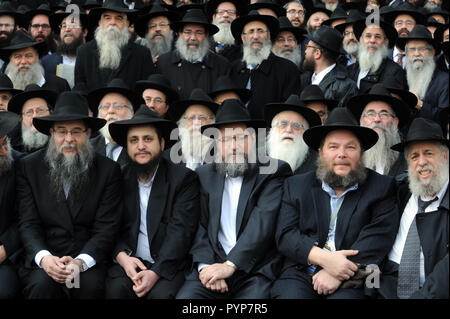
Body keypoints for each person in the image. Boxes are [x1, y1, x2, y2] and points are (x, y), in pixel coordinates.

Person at [271, 107, 399, 299]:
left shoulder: (382, 187)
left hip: (357, 274)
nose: (342, 154)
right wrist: (326, 260)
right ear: (321, 152)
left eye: (350, 147)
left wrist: (338, 272)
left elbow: (377, 240)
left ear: (361, 153)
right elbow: (286, 235)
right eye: (333, 147)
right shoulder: (296, 185)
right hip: (302, 269)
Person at [176, 99, 292, 299]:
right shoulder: (204, 174)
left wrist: (230, 265)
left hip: (254, 270)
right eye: (226, 140)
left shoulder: (273, 171)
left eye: (240, 138)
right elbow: (199, 227)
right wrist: (205, 267)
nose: (234, 146)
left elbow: (262, 223)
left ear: (254, 140)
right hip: (212, 267)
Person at [16, 91, 122, 298]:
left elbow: (106, 227)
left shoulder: (108, 170)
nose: (69, 139)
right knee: (41, 287)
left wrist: (80, 262)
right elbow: (28, 223)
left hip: (87, 256)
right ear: (52, 133)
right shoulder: (29, 167)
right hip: (45, 256)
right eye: (61, 131)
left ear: (89, 133)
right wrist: (45, 258)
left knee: (88, 287)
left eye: (76, 131)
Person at [105, 105, 200, 299]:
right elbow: (108, 225)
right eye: (134, 140)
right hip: (128, 262)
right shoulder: (117, 178)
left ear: (162, 143)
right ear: (127, 146)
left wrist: (155, 272)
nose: (141, 146)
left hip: (168, 265)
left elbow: (181, 232)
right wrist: (122, 258)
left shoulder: (184, 179)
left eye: (148, 139)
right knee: (116, 291)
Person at [378, 118, 449, 299]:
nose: (422, 162)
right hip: (386, 285)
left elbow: (444, 278)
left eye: (428, 153)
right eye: (414, 156)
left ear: (446, 156)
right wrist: (370, 288)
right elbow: (373, 248)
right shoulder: (396, 191)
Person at [229, 10, 300, 120]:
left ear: (268, 36)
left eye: (260, 31)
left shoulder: (287, 69)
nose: (256, 36)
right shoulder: (233, 69)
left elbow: (289, 111)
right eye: (251, 31)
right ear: (243, 38)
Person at [74, 0, 155, 92]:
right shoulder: (84, 51)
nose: (112, 22)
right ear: (100, 23)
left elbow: (146, 90)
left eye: (119, 18)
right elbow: (80, 87)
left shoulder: (142, 54)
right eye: (107, 18)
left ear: (127, 24)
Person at [156, 8, 230, 100]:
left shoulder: (221, 65)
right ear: (179, 34)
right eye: (188, 32)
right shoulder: (164, 62)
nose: (193, 38)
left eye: (199, 33)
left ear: (206, 35)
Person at [347, 83, 412, 177]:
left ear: (395, 122)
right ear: (361, 121)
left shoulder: (408, 161)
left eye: (384, 114)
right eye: (371, 114)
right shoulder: (351, 160)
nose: (377, 119)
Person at [300, 25, 359, 108]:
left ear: (317, 53)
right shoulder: (304, 79)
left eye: (307, 47)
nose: (305, 51)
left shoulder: (346, 87)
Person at [398, 24, 448, 121]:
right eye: (412, 49)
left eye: (422, 49)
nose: (417, 54)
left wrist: (420, 104)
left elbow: (444, 118)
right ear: (407, 54)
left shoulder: (444, 81)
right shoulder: (401, 77)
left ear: (432, 52)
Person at [88, 78, 141, 168]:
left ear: (131, 113)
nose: (111, 111)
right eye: (105, 106)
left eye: (118, 106)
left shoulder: (140, 149)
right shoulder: (88, 148)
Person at [265, 94, 322, 174]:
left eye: (296, 126)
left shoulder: (317, 164)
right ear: (271, 129)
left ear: (305, 132)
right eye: (283, 124)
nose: (289, 130)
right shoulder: (258, 159)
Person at [349, 17, 407, 94]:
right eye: (368, 36)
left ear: (385, 42)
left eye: (377, 37)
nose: (372, 40)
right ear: (361, 39)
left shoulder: (395, 72)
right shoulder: (350, 70)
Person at [0, 30, 70, 93]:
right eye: (18, 57)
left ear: (37, 57)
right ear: (10, 60)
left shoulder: (59, 85)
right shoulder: (1, 86)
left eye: (29, 56)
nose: (23, 61)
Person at [0, 112, 23, 299]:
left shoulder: (20, 165)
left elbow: (25, 217)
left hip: (7, 255)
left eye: (4, 142)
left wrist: (4, 249)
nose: (5, 151)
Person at [169, 88, 218, 170]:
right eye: (191, 118)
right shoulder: (168, 158)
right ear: (182, 123)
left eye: (202, 118)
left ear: (213, 123)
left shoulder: (221, 156)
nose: (196, 123)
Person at [41, 5, 89, 88]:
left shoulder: (94, 60)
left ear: (84, 32)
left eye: (73, 25)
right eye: (64, 26)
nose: (67, 29)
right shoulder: (45, 63)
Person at [7, 84, 57, 154]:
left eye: (40, 110)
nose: (35, 116)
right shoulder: (11, 149)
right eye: (29, 112)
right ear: (21, 118)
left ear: (51, 113)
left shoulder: (61, 144)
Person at [383, 1, 426, 67]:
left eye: (409, 23)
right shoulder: (382, 56)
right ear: (393, 27)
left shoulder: (425, 58)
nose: (404, 26)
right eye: (399, 23)